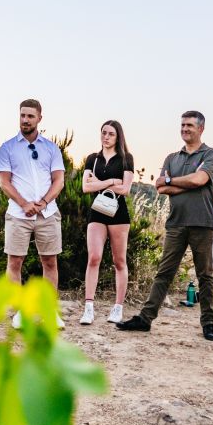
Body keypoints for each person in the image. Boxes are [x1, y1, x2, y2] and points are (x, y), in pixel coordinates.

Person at [116, 111, 213, 341]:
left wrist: (173, 180)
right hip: (176, 223)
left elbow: (200, 180)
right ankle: (145, 319)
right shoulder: (172, 157)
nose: (185, 129)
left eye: (190, 125)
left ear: (201, 128)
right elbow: (160, 187)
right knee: (164, 272)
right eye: (182, 125)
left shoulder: (211, 154)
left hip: (202, 223)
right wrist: (187, 181)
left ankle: (209, 323)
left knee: (205, 275)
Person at [0, 99, 66, 329]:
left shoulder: (51, 148)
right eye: (22, 115)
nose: (25, 120)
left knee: (50, 261)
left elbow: (59, 180)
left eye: (30, 116)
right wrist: (24, 203)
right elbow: (4, 183)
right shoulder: (7, 148)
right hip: (18, 214)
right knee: (15, 261)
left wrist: (44, 202)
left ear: (39, 118)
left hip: (48, 214)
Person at [80, 121, 134, 325]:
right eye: (103, 133)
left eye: (111, 134)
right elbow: (86, 186)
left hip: (119, 213)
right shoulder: (92, 159)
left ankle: (118, 308)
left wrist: (98, 184)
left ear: (118, 136)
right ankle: (89, 308)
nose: (106, 137)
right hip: (98, 211)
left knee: (119, 261)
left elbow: (126, 189)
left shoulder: (126, 158)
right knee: (94, 257)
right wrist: (112, 182)